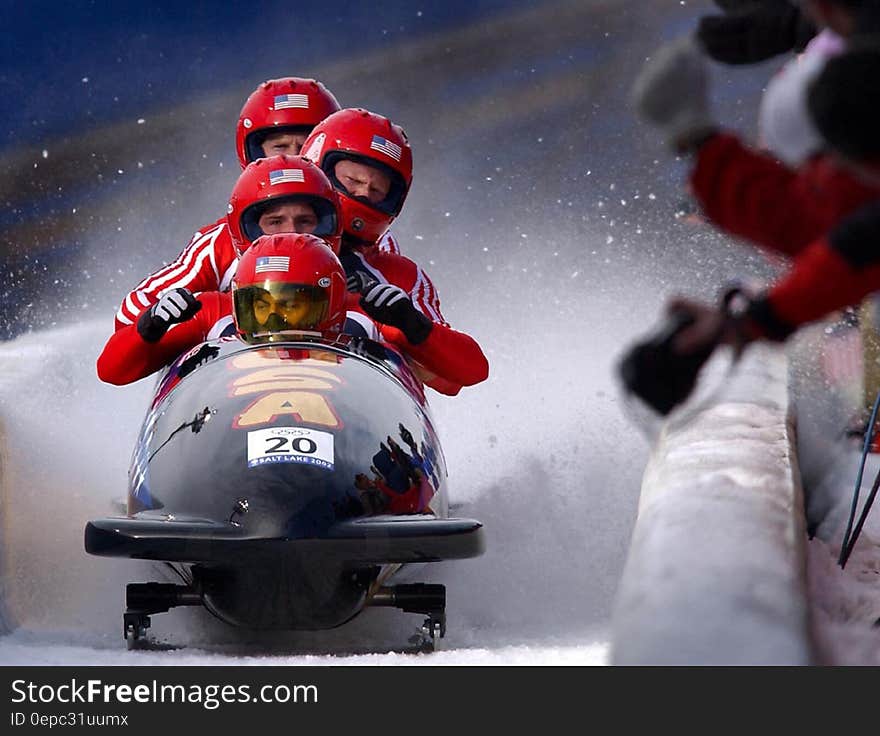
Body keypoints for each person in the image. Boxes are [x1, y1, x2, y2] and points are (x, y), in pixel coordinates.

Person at [300, 108, 489, 395]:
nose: (363, 193)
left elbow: (458, 376)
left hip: (355, 411)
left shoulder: (394, 270)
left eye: (376, 189)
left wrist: (407, 323)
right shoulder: (226, 242)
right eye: (353, 180)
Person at [98, 233, 349, 385]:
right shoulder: (211, 313)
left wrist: (391, 320)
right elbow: (112, 371)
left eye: (291, 304)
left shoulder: (361, 314)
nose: (273, 317)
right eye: (260, 304)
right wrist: (150, 325)